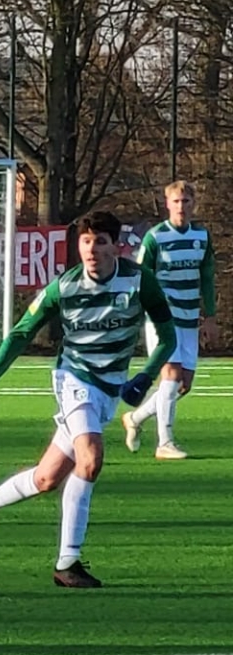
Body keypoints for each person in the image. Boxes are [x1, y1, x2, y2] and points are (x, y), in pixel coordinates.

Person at [0, 210, 174, 587]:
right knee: (90, 459)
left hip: (109, 389)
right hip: (73, 380)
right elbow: (21, 334)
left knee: (46, 478)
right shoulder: (64, 287)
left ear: (117, 246)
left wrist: (145, 376)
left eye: (100, 241)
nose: (91, 249)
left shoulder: (139, 281)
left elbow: (168, 337)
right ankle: (68, 562)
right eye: (85, 241)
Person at [122, 180, 215, 460]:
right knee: (171, 375)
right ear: (167, 204)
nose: (181, 206)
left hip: (189, 318)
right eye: (176, 201)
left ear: (194, 204)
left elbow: (207, 277)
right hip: (162, 318)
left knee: (182, 385)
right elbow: (141, 277)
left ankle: (135, 418)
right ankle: (165, 442)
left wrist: (210, 317)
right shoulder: (155, 237)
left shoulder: (202, 236)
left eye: (186, 201)